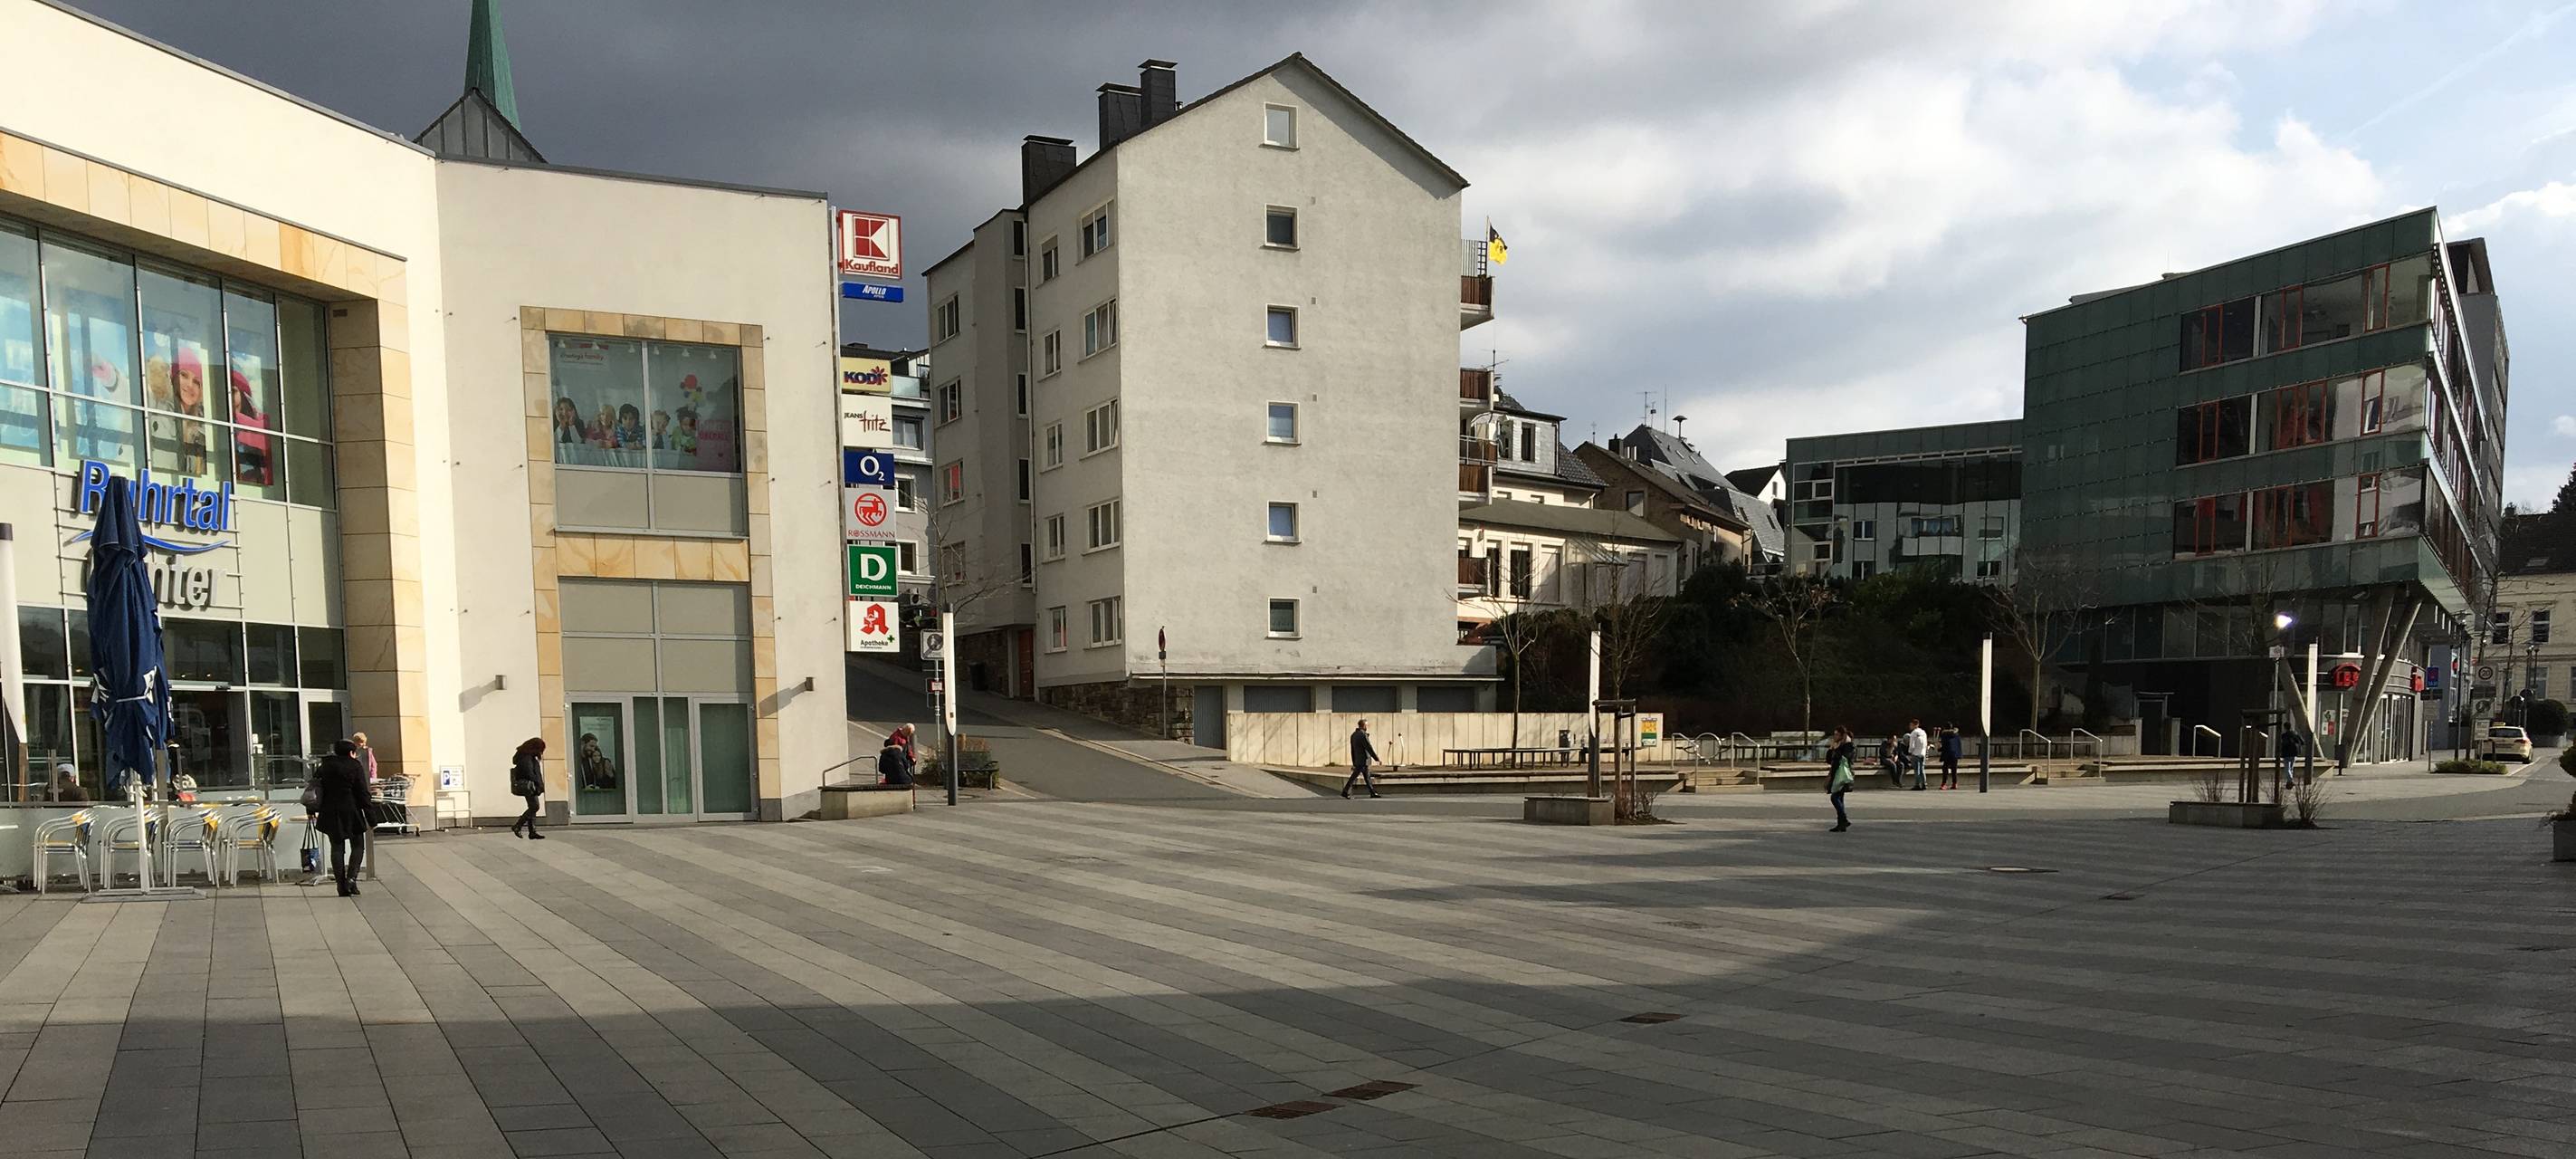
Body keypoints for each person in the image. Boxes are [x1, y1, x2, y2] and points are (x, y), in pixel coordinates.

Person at [310, 740, 375, 897]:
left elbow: (314, 788)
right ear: (351, 753)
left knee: (337, 847)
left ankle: (341, 884)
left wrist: (311, 809)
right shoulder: (355, 766)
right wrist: (371, 817)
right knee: (358, 845)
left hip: (330, 810)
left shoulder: (325, 766)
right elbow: (362, 792)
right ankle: (351, 879)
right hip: (351, 809)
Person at [510, 737, 548, 839]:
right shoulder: (527, 757)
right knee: (534, 807)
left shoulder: (526, 756)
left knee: (532, 806)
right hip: (530, 785)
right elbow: (530, 773)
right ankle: (518, 826)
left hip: (531, 785)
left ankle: (532, 831)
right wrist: (538, 783)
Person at [1341, 720, 1384, 800]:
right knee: (1355, 776)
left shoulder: (1354, 735)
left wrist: (1354, 761)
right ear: (1364, 726)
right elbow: (1368, 747)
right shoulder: (1363, 734)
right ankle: (1345, 791)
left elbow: (1352, 750)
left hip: (1358, 760)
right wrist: (1376, 758)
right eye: (1366, 725)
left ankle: (1372, 792)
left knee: (1366, 777)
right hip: (1364, 760)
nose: (1367, 727)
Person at [1824, 728, 1856, 832]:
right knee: (1839, 798)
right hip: (1836, 774)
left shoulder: (1849, 746)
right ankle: (1841, 824)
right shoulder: (1837, 745)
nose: (1835, 737)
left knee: (1835, 797)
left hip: (1843, 775)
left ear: (1842, 736)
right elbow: (1829, 760)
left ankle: (1844, 820)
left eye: (1837, 734)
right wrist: (1831, 749)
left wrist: (1837, 749)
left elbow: (1844, 759)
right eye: (1834, 734)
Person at [2278, 724, 2307, 789]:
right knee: (2291, 768)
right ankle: (2289, 781)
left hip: (2286, 754)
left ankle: (2290, 780)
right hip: (2294, 753)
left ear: (2285, 728)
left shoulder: (2284, 735)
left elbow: (2282, 744)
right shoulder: (2295, 734)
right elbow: (2302, 742)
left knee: (2287, 768)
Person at [1904, 719, 1930, 790]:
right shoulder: (1923, 732)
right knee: (1922, 769)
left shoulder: (1913, 733)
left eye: (1911, 725)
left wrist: (1910, 752)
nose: (1910, 726)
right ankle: (1924, 784)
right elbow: (1925, 743)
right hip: (1922, 753)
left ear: (1915, 725)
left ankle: (1917, 785)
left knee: (1916, 770)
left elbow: (1912, 745)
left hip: (1915, 754)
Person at [1938, 723, 1963, 790]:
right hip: (1955, 754)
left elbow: (1945, 745)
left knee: (1945, 769)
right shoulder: (1956, 734)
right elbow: (1958, 744)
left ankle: (1944, 784)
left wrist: (1939, 749)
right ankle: (1955, 783)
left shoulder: (1945, 734)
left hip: (1947, 754)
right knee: (1954, 769)